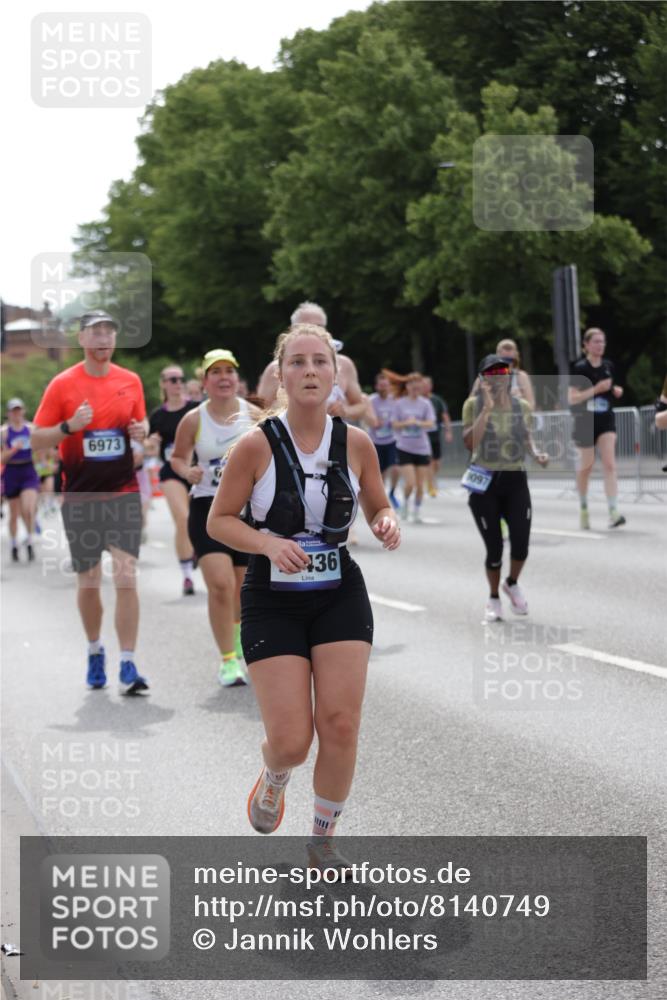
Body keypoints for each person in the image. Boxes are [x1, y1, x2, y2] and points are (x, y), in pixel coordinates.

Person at [207, 323, 400, 872]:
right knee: (292, 741)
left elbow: (377, 503)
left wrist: (386, 521)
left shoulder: (355, 443)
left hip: (339, 591)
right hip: (273, 597)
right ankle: (275, 775)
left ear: (335, 375)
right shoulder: (256, 445)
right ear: (281, 376)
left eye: (320, 362)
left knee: (340, 723)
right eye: (297, 362)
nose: (310, 371)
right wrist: (267, 543)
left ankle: (322, 841)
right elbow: (220, 521)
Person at [30, 310, 149, 694]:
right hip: (80, 496)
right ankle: (95, 649)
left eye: (109, 332)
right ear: (81, 339)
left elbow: (141, 428)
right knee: (90, 580)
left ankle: (128, 662)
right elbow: (36, 439)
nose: (103, 338)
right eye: (95, 332)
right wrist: (69, 427)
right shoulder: (62, 385)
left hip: (123, 492)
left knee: (126, 575)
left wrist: (141, 432)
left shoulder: (130, 381)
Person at [170, 349, 261, 687]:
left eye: (229, 371)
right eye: (216, 372)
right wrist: (187, 471)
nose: (224, 378)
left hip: (247, 511)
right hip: (207, 507)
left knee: (242, 589)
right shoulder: (193, 419)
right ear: (205, 381)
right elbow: (177, 458)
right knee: (221, 585)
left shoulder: (254, 415)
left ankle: (237, 642)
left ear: (237, 378)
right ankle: (227, 660)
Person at [462, 355, 549, 622]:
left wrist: (537, 453)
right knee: (495, 548)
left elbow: (526, 437)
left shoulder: (521, 406)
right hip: (484, 483)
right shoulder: (473, 405)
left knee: (521, 544)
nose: (498, 377)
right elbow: (470, 443)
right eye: (491, 374)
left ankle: (511, 582)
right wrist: (487, 409)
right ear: (482, 379)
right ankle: (493, 597)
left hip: (514, 480)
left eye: (502, 372)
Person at [256, 302, 369, 421]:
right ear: (292, 331)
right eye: (304, 326)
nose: (311, 331)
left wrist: (345, 411)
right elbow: (258, 411)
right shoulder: (275, 368)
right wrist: (286, 414)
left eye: (318, 327)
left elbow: (361, 406)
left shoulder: (344, 364)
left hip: (334, 432)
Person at [147, 365, 199, 595]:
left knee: (199, 521)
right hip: (171, 472)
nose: (178, 383)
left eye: (181, 378)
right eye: (173, 379)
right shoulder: (158, 416)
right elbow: (150, 447)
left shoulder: (196, 409)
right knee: (183, 518)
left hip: (197, 471)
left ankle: (196, 548)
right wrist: (151, 444)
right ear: (164, 384)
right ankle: (187, 576)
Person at [568, 328, 625, 529]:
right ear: (586, 345)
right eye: (596, 341)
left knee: (610, 465)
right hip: (585, 422)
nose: (600, 345)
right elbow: (572, 398)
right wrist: (596, 389)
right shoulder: (579, 368)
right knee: (586, 468)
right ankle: (584, 508)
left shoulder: (608, 366)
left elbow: (610, 387)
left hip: (606, 420)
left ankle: (613, 511)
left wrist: (615, 390)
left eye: (603, 341)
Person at [391, 372, 435, 523]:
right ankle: (405, 503)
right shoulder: (399, 404)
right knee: (410, 483)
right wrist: (406, 423)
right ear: (407, 386)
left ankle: (416, 511)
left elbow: (431, 423)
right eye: (412, 384)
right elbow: (394, 424)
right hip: (404, 447)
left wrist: (418, 422)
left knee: (420, 486)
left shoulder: (426, 404)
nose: (415, 387)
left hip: (422, 449)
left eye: (418, 384)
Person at [1, 398, 41, 561]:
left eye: (19, 410)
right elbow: (2, 458)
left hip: (28, 470)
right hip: (12, 471)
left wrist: (42, 459)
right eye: (14, 411)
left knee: (28, 509)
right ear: (9, 413)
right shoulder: (4, 433)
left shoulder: (31, 429)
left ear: (23, 411)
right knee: (14, 514)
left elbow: (41, 451)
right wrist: (13, 449)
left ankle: (30, 540)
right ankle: (13, 544)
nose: (17, 414)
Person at [367, 372, 400, 508]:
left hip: (392, 440)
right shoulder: (371, 400)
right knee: (381, 473)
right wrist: (374, 421)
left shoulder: (394, 400)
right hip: (376, 442)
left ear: (389, 386)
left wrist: (396, 423)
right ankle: (382, 498)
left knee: (396, 468)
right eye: (381, 385)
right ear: (376, 387)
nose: (384, 388)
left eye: (386, 385)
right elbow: (369, 419)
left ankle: (392, 492)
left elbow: (399, 418)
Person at [422, 376, 453, 498]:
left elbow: (445, 415)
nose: (425, 387)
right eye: (423, 385)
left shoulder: (437, 400)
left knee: (437, 463)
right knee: (428, 461)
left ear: (431, 386)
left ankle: (430, 478)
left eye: (427, 385)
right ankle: (431, 485)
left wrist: (448, 431)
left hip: (435, 435)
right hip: (423, 437)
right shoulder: (418, 401)